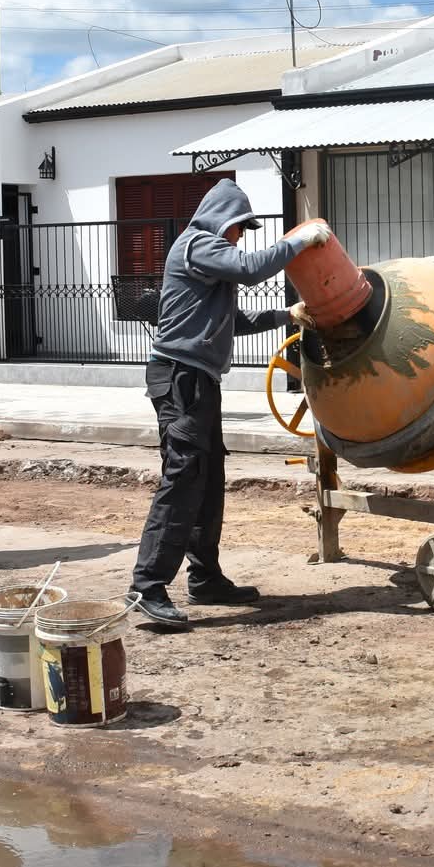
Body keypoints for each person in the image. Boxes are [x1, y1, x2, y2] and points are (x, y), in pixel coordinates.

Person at [129, 181, 329, 630]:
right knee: (183, 477)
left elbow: (231, 320)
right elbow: (253, 268)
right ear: (224, 221)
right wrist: (297, 241)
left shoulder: (208, 265)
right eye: (239, 228)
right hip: (179, 378)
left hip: (198, 380)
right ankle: (147, 586)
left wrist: (286, 315)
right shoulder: (197, 244)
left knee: (207, 477)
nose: (240, 237)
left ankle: (204, 577)